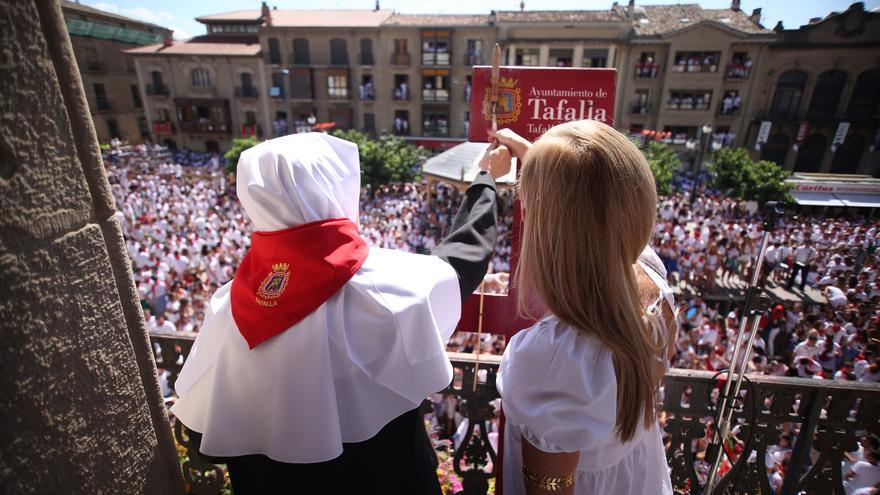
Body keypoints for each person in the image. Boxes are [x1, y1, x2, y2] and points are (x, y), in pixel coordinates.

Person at [171, 132, 511, 494]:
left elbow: (199, 420)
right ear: (336, 187)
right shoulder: (389, 287)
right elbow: (464, 257)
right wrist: (485, 180)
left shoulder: (226, 307)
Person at [494, 121, 675, 494]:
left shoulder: (554, 358)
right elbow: (600, 209)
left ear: (536, 220)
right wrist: (540, 162)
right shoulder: (653, 281)